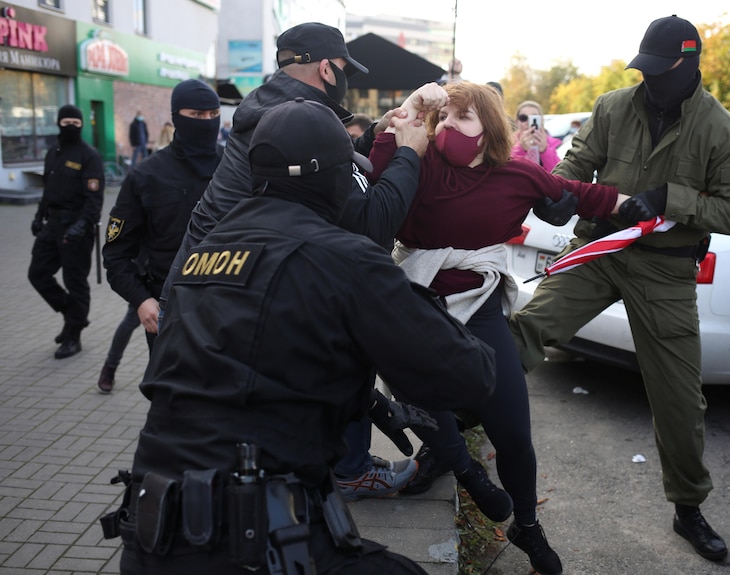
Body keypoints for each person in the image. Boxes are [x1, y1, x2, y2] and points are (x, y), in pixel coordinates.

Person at [102, 97, 498, 575]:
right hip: (250, 544)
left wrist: (371, 402)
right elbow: (470, 376)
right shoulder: (343, 258)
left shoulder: (201, 258)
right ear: (334, 178)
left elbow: (244, 366)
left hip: (152, 538)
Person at [159, 22, 441, 500]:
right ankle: (345, 472)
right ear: (329, 68)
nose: (346, 77)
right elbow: (372, 224)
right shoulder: (309, 115)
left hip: (198, 289)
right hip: (228, 297)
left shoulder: (272, 107)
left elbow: (326, 165)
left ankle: (297, 480)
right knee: (342, 348)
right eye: (345, 69)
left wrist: (376, 131)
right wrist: (410, 153)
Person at [509, 15, 730, 563]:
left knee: (679, 398)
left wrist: (671, 199)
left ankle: (688, 507)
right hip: (600, 249)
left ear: (689, 63)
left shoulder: (721, 129)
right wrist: (557, 193)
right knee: (524, 330)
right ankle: (454, 430)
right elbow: (577, 165)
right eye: (642, 69)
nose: (648, 81)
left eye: (659, 71)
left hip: (665, 270)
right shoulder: (613, 106)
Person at [367, 81, 628, 575]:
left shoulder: (517, 175)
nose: (446, 128)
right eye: (443, 119)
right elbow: (376, 175)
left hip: (480, 304)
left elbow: (581, 194)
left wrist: (643, 208)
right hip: (415, 299)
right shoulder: (417, 161)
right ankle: (464, 471)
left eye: (459, 119)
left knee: (513, 429)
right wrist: (407, 113)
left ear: (487, 129)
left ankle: (527, 525)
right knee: (420, 393)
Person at [103, 79, 222, 363]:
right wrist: (142, 301)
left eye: (213, 115)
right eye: (196, 116)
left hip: (229, 306)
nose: (207, 122)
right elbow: (116, 254)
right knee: (172, 401)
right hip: (169, 310)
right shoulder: (147, 176)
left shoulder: (236, 167)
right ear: (176, 117)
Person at [28, 104, 104, 359]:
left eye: (75, 122)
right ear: (58, 124)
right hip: (53, 224)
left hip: (77, 228)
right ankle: (74, 316)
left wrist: (81, 225)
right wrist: (39, 217)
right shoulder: (53, 153)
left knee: (75, 283)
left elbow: (94, 199)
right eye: (66, 122)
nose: (71, 125)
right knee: (37, 273)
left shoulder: (89, 155)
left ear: (81, 125)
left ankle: (73, 337)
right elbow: (47, 191)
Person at [511, 100, 561, 172]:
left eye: (534, 118)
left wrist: (545, 150)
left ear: (541, 121)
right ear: (516, 122)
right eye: (523, 118)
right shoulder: (508, 144)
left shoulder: (554, 144)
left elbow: (559, 175)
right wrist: (520, 149)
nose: (529, 122)